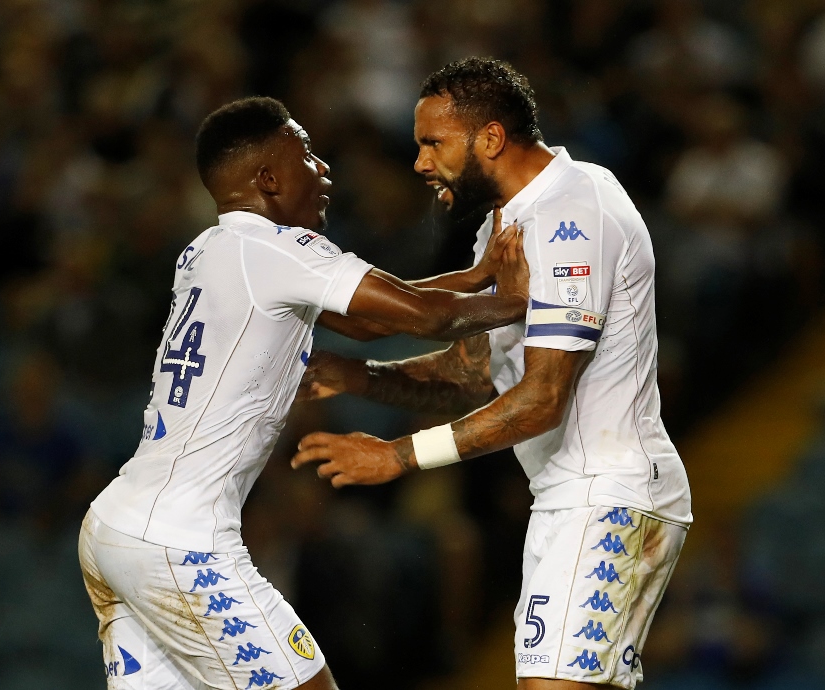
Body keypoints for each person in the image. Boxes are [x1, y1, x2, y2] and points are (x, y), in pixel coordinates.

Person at [77, 96, 530, 690]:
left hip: (115, 527)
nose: (323, 170)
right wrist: (519, 301)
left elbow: (371, 320)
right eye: (307, 155)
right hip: (179, 543)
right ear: (267, 178)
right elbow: (424, 316)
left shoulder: (208, 250)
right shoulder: (276, 248)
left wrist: (474, 279)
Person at [292, 58, 692, 689]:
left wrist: (397, 455)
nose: (421, 163)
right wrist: (363, 377)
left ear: (491, 138)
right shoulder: (505, 225)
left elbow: (542, 400)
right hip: (570, 497)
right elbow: (477, 373)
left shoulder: (571, 214)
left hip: (607, 493)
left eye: (433, 143)